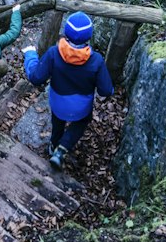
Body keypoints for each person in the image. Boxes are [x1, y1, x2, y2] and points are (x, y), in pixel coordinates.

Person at [22, 10, 114, 168]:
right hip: (81, 108)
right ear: (89, 36)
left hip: (58, 103)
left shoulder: (53, 53)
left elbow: (36, 78)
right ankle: (63, 148)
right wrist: (110, 90)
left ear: (66, 33)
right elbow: (105, 91)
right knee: (82, 122)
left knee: (58, 122)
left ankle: (53, 146)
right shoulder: (96, 60)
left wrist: (30, 55)